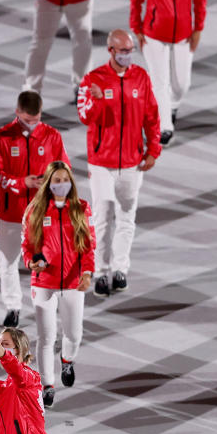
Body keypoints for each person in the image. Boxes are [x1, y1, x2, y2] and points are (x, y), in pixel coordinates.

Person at [77, 29, 161, 298]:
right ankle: (101, 272)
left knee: (127, 217)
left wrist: (153, 150)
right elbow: (84, 116)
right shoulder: (92, 80)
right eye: (123, 51)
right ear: (110, 50)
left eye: (130, 50)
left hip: (132, 161)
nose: (128, 55)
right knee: (102, 217)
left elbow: (152, 115)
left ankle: (120, 268)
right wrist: (98, 101)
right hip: (102, 161)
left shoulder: (141, 78)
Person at [0, 91, 70, 327]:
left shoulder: (52, 136)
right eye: (27, 120)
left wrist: (50, 182)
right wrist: (21, 182)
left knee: (48, 260)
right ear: (17, 112)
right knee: (8, 262)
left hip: (44, 214)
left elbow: (65, 170)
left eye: (36, 120)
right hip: (11, 214)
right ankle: (13, 307)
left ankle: (48, 305)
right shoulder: (1, 137)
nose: (32, 125)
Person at [21, 161, 94, 407]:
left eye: (65, 180)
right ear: (48, 183)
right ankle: (47, 385)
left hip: (73, 282)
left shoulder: (81, 208)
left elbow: (88, 245)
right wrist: (32, 262)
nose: (61, 185)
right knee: (45, 336)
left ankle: (67, 360)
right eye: (56, 180)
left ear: (71, 182)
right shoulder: (35, 210)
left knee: (73, 334)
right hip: (44, 282)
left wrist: (87, 273)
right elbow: (28, 247)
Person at [129, 0, 206, 146]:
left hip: (183, 35)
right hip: (153, 34)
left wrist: (198, 28)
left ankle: (172, 106)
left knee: (181, 83)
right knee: (159, 82)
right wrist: (137, 28)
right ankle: (164, 125)